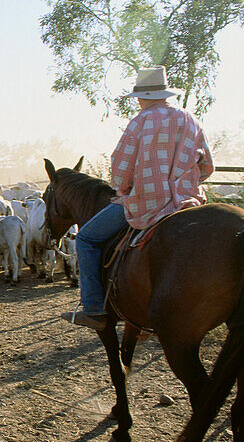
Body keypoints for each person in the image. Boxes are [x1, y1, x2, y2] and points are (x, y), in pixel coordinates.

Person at [63, 66, 214, 330]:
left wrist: (123, 190)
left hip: (148, 204)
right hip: (188, 203)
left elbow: (120, 167)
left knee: (86, 239)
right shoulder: (191, 120)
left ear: (142, 97)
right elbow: (207, 166)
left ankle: (94, 308)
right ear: (165, 94)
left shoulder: (140, 121)